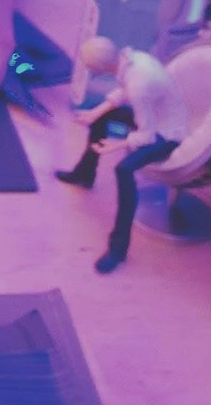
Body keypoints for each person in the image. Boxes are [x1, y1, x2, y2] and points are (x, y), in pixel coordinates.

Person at [59, 37, 188, 274]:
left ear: (99, 69)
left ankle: (118, 249)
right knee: (101, 118)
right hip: (157, 119)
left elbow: (146, 136)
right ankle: (85, 174)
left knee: (123, 170)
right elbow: (124, 91)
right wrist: (94, 113)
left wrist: (114, 146)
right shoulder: (133, 59)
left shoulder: (139, 85)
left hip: (167, 135)